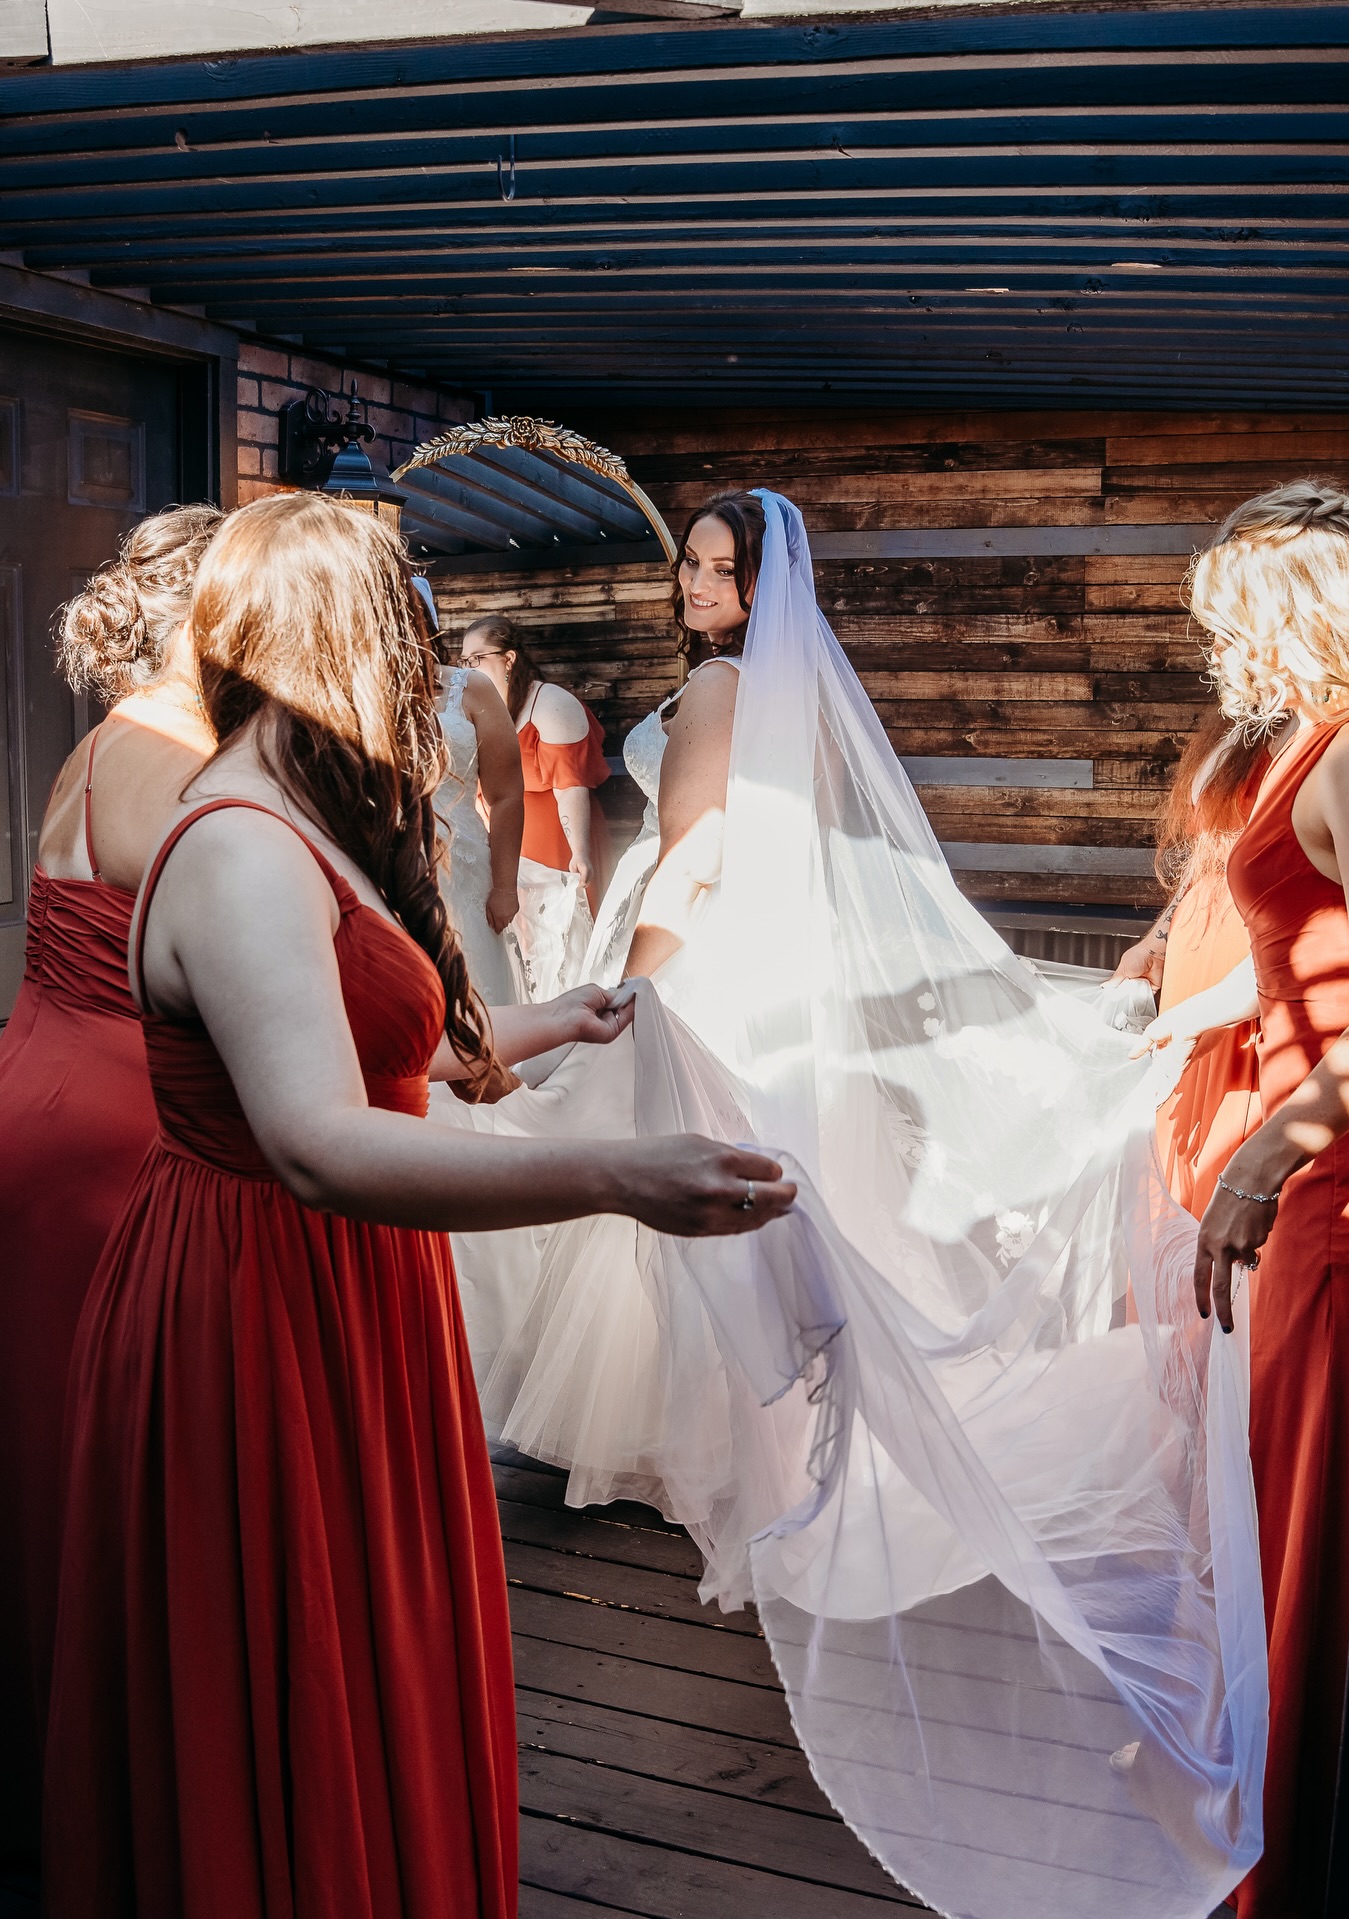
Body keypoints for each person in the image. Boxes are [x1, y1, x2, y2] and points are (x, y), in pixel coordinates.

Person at [440, 488, 1268, 1919]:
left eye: (719, 567)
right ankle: (756, 1469)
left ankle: (738, 1483)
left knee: (693, 1237)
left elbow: (694, 855)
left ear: (763, 585)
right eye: (691, 564)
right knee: (756, 1221)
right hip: (778, 963)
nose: (698, 585)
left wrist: (637, 978)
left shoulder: (716, 689)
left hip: (699, 959)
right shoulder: (794, 690)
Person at [41, 492, 794, 1919]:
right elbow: (322, 1139)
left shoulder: (297, 814)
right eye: (408, 624)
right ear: (342, 640)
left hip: (343, 1288)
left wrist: (556, 1018)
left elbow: (373, 1054)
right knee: (286, 1661)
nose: (430, 660)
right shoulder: (242, 845)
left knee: (357, 1638)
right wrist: (624, 1177)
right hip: (264, 1294)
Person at [1140, 482, 1349, 1917]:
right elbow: (1289, 930)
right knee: (1260, 1488)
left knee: (1311, 1498)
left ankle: (1300, 1858)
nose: (1216, 638)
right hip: (1300, 1147)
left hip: (1334, 1177)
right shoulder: (1310, 733)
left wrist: (1270, 1148)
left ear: (1292, 605)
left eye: (1231, 608)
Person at [0, 503, 222, 1870]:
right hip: (121, 1131)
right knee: (120, 1455)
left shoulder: (103, 739)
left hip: (38, 1085)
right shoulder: (181, 759)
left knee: (46, 1436)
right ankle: (119, 1767)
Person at [1112, 710, 1269, 1215]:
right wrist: (1157, 941)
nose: (1219, 650)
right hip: (1198, 930)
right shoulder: (1230, 727)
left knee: (1229, 1100)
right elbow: (1207, 851)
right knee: (1177, 1101)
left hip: (1252, 935)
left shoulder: (1312, 731)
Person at [465, 615, 611, 1001]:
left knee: (558, 957)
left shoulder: (550, 704)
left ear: (509, 659)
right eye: (463, 660)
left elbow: (570, 785)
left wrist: (579, 852)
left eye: (477, 658)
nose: (468, 668)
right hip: (508, 857)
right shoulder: (479, 707)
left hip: (557, 851)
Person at [434, 622, 524, 1008]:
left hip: (463, 865)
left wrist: (505, 887)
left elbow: (505, 794)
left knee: (475, 992)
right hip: (385, 866)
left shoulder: (471, 689)